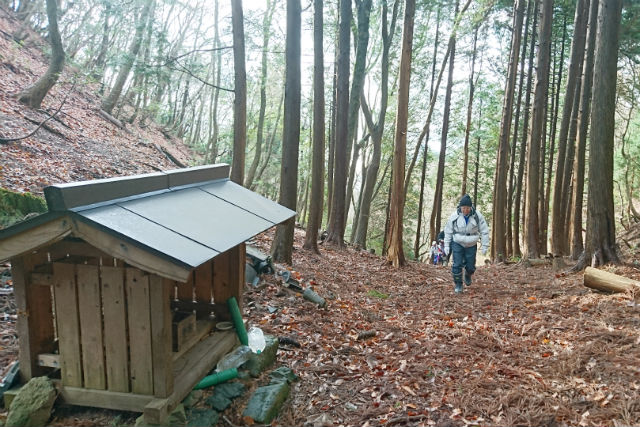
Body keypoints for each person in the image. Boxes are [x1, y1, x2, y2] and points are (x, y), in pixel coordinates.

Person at [443, 194, 490, 294]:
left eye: (467, 208)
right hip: (457, 242)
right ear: (460, 207)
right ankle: (458, 284)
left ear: (470, 207)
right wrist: (446, 245)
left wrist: (485, 245)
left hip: (471, 243)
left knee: (470, 266)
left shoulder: (477, 216)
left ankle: (468, 274)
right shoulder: (454, 216)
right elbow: (448, 231)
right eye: (463, 208)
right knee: (457, 264)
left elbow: (484, 231)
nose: (465, 210)